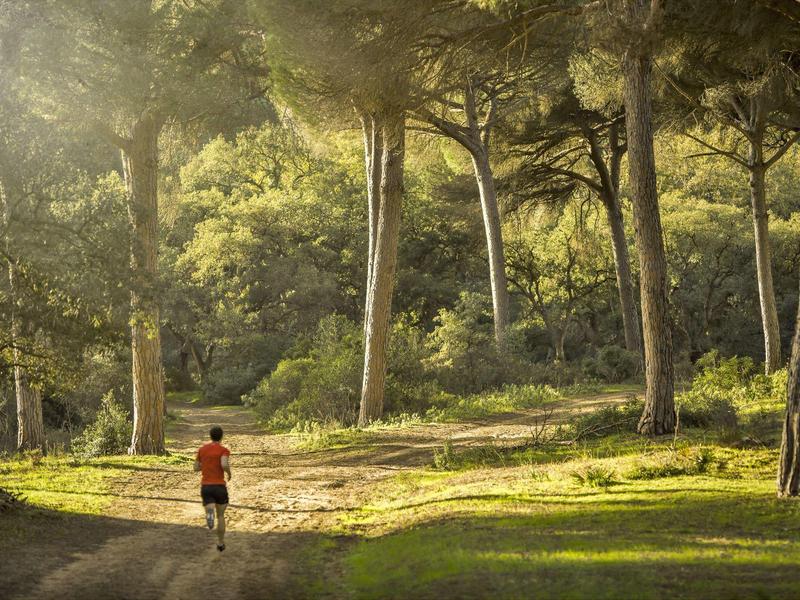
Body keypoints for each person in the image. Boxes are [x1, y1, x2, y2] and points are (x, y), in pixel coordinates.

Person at [194, 425, 231, 551]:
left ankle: (209, 513)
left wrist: (206, 465)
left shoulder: (202, 449)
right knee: (220, 515)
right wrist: (228, 473)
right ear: (221, 437)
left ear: (210, 436)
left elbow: (196, 467)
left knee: (209, 508)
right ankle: (220, 543)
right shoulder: (223, 450)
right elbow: (224, 464)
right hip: (219, 486)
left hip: (206, 486)